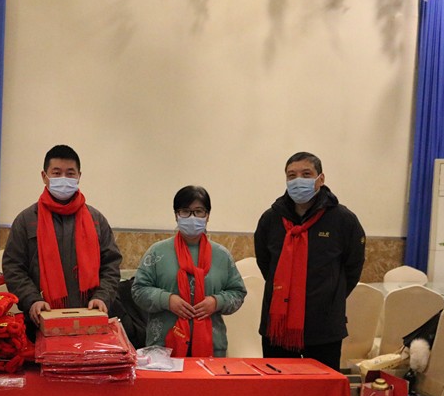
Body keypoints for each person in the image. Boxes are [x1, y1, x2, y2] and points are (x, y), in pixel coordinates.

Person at [254, 152, 365, 370]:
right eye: (292, 175)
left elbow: (353, 267)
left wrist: (329, 295)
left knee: (321, 387)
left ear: (320, 179)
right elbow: (266, 264)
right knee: (279, 387)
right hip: (278, 327)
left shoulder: (343, 220)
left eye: (306, 174)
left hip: (324, 326)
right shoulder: (271, 219)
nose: (298, 181)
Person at [2, 145, 122, 340]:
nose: (64, 179)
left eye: (70, 173)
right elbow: (13, 267)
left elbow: (111, 264)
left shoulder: (96, 220)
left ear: (79, 176)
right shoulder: (26, 220)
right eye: (57, 173)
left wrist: (102, 297)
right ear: (44, 176)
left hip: (90, 318)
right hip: (41, 320)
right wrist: (32, 300)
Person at [131, 186, 247, 358]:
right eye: (185, 211)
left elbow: (238, 292)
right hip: (164, 348)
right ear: (176, 215)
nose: (192, 217)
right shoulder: (157, 252)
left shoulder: (222, 256)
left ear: (207, 216)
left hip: (212, 347)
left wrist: (216, 302)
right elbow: (138, 290)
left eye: (199, 211)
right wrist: (167, 300)